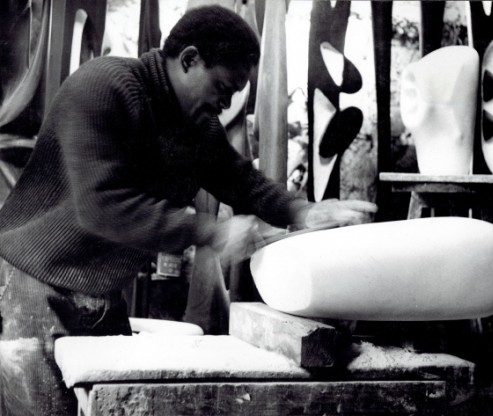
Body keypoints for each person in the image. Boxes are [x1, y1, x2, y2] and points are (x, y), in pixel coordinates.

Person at [0, 5, 376, 415]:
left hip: (100, 291)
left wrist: (305, 212)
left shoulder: (197, 124)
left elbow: (242, 182)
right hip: (36, 286)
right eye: (222, 87)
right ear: (189, 59)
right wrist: (212, 233)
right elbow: (100, 206)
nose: (226, 102)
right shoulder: (102, 87)